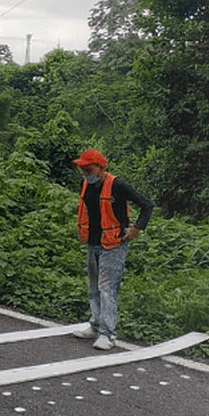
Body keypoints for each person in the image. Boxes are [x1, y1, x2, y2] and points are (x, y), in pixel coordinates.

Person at [70, 149, 154, 350]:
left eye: (88, 169)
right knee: (93, 288)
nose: (85, 173)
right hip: (93, 243)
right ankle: (95, 325)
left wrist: (136, 229)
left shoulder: (118, 185)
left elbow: (147, 205)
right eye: (82, 170)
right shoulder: (85, 184)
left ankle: (108, 334)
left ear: (100, 168)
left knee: (107, 289)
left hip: (114, 244)